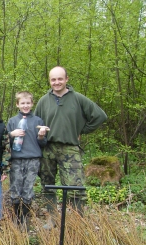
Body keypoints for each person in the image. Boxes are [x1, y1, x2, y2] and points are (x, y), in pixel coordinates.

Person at [34, 66, 107, 216]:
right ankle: (51, 218)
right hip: (47, 149)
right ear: (50, 81)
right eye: (53, 79)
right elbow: (34, 123)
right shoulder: (43, 101)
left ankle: (75, 222)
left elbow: (100, 116)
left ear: (67, 79)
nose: (56, 82)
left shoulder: (78, 99)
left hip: (70, 149)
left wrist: (82, 130)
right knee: (47, 185)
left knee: (75, 187)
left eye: (60, 79)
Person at [6, 92, 48, 226]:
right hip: (16, 160)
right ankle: (16, 217)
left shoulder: (38, 121)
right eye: (22, 103)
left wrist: (41, 136)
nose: (25, 106)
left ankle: (24, 217)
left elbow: (43, 143)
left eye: (28, 103)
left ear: (32, 104)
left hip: (33, 159)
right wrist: (12, 134)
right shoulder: (12, 121)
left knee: (28, 189)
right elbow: (5, 141)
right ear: (17, 104)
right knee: (15, 188)